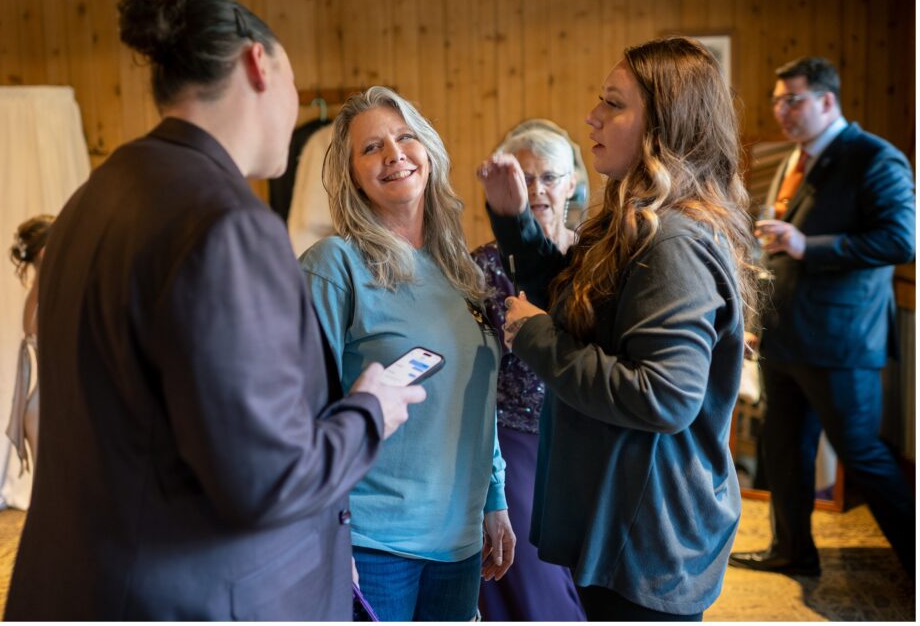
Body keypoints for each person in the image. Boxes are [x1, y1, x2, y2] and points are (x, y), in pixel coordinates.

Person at [3, 0, 425, 621]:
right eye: (293, 82)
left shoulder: (98, 194)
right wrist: (370, 411)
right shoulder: (226, 223)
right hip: (194, 594)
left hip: (82, 583)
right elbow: (265, 479)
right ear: (261, 65)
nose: (293, 109)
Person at [479, 36, 758, 621]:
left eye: (613, 104)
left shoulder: (673, 239)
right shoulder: (636, 221)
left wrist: (533, 336)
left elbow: (663, 396)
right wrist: (515, 229)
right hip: (628, 518)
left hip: (649, 534)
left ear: (663, 125)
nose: (592, 116)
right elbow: (583, 307)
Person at [299, 86, 515, 621]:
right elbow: (303, 415)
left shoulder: (462, 272)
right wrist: (325, 539)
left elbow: (476, 396)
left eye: (404, 137)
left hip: (460, 544)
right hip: (371, 543)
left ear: (429, 151)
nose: (393, 154)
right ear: (350, 175)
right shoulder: (334, 265)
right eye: (371, 148)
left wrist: (493, 499)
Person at [728, 57, 916, 577]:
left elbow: (902, 240)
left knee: (863, 456)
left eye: (793, 100)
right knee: (784, 451)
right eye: (776, 100)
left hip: (840, 342)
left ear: (827, 101)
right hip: (784, 338)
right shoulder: (794, 158)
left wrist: (809, 245)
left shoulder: (874, 158)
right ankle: (793, 551)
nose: (781, 110)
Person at [472, 121, 586, 621]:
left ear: (573, 184)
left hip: (586, 434)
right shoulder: (481, 267)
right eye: (525, 177)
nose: (537, 189)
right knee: (534, 579)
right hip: (515, 435)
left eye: (549, 177)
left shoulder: (593, 259)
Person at [5, 214, 53, 475]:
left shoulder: (35, 295)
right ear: (46, 252)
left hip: (40, 405)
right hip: (51, 408)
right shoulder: (49, 297)